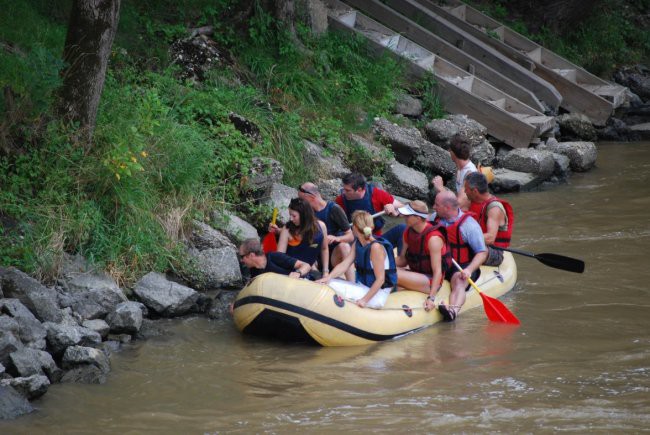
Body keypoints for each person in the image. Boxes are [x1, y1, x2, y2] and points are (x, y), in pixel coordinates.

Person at [317, 210, 397, 309]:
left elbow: (380, 279)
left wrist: (364, 300)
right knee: (329, 282)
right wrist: (327, 278)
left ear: (354, 227)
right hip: (363, 287)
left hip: (377, 295)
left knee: (331, 286)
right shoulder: (358, 243)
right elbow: (345, 264)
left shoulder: (376, 247)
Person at [431, 190, 488, 321]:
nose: (434, 207)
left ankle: (453, 310)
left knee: (459, 281)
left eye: (436, 205)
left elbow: (482, 252)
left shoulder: (469, 226)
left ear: (447, 208)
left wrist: (469, 269)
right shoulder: (433, 218)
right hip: (439, 263)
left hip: (461, 266)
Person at [395, 201, 448, 312]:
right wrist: (381, 263)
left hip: (430, 281)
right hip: (416, 274)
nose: (404, 217)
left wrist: (431, 298)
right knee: (386, 269)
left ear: (418, 218)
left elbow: (437, 271)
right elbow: (402, 260)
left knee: (392, 273)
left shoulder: (433, 239)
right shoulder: (408, 232)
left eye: (408, 215)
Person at [335, 172, 406, 253]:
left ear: (359, 190)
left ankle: (400, 262)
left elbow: (404, 209)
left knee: (402, 228)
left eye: (347, 190)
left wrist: (393, 209)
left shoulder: (376, 194)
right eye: (343, 189)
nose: (343, 192)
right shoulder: (340, 201)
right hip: (355, 242)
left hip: (376, 239)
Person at [298, 182, 355, 281]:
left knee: (344, 246)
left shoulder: (334, 209)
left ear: (311, 197)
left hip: (333, 256)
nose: (300, 203)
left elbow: (350, 236)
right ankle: (315, 277)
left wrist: (336, 238)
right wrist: (278, 230)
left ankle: (352, 284)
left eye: (302, 200)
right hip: (315, 257)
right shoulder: (305, 212)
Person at [464, 171, 514, 266]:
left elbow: (490, 238)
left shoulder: (494, 208)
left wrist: (464, 238)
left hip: (495, 251)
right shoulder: (471, 201)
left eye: (466, 189)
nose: (464, 192)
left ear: (475, 191)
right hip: (478, 245)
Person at [275, 197, 329, 276]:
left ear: (304, 215)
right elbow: (279, 256)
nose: (291, 219)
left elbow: (324, 249)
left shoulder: (321, 226)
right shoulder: (287, 229)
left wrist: (325, 272)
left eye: (294, 216)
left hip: (311, 271)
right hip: (292, 271)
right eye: (290, 215)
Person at [432, 134, 477, 211]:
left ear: (452, 153)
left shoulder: (470, 173)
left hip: (467, 217)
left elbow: (458, 205)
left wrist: (441, 188)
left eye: (449, 150)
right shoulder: (460, 168)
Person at [238, 238, 312, 279]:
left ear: (251, 255)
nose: (241, 260)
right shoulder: (253, 271)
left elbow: (306, 265)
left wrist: (298, 273)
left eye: (242, 257)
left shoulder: (274, 257)